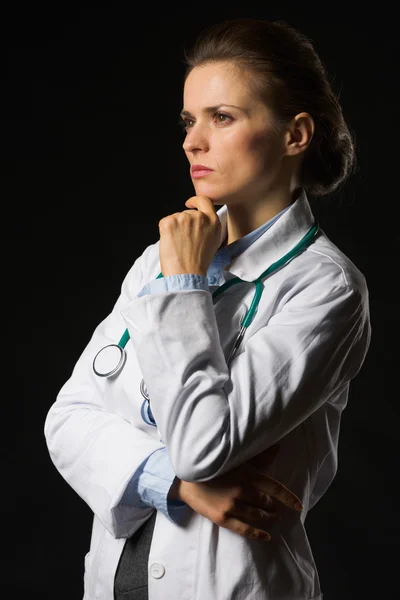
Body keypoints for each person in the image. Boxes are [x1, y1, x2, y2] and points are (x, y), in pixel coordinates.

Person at [44, 16, 371, 600]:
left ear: (296, 134)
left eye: (222, 118)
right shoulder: (161, 259)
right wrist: (174, 482)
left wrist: (186, 283)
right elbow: (67, 420)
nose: (193, 140)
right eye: (190, 121)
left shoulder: (327, 288)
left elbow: (203, 446)